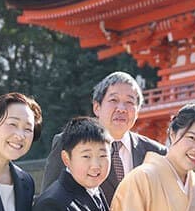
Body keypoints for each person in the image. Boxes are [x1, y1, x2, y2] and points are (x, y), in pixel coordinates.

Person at [42, 70, 165, 203]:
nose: (121, 108)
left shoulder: (156, 152)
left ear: (137, 111)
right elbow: (49, 199)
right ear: (97, 107)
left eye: (130, 102)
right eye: (113, 100)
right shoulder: (69, 142)